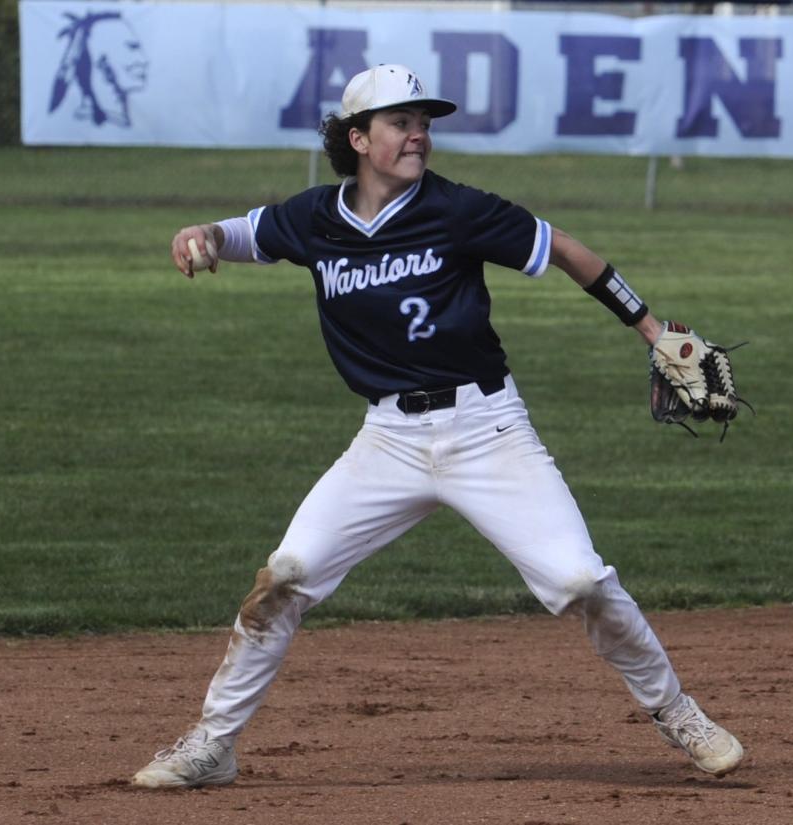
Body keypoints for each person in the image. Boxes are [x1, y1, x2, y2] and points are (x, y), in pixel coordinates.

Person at [132, 64, 744, 789]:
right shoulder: (316, 218)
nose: (418, 133)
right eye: (400, 122)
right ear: (359, 138)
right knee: (286, 578)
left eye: (424, 121)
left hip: (487, 429)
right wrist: (198, 232)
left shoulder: (458, 210)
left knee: (581, 579)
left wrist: (649, 327)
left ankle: (679, 713)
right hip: (387, 440)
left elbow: (571, 252)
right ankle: (213, 742)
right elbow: (243, 233)